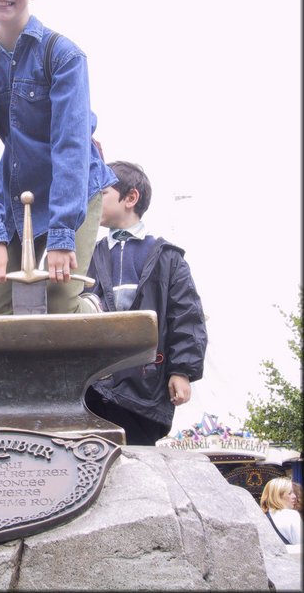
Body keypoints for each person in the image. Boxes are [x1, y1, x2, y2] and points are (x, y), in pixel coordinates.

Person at [0, 0, 116, 315]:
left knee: (59, 302)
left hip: (74, 190)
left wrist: (62, 233)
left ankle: (92, 310)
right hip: (18, 196)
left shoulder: (63, 56)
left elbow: (71, 145)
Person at [84, 161, 207, 445]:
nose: (92, 200)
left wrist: (181, 371)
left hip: (144, 388)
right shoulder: (89, 255)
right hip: (93, 386)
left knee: (138, 457)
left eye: (101, 193)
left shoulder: (167, 258)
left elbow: (186, 316)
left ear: (130, 198)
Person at [260, 477, 302, 544]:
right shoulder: (292, 515)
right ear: (278, 496)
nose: (294, 496)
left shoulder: (261, 516)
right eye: (290, 493)